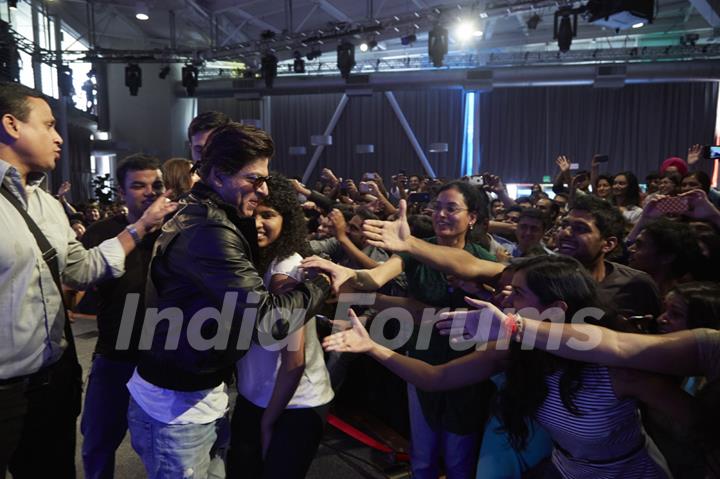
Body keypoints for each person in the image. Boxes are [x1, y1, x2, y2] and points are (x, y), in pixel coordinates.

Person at [325, 255, 675, 478]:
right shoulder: (516, 351)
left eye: (518, 294)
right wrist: (371, 348)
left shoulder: (614, 365)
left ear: (555, 308)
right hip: (567, 467)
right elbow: (436, 378)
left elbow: (694, 426)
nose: (505, 298)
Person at [126, 123, 341, 479]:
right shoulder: (208, 231)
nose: (264, 190)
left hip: (196, 395)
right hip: (176, 407)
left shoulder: (213, 217)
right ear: (220, 174)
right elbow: (269, 323)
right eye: (255, 179)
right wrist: (321, 281)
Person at [0, 82, 176, 478]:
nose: (59, 136)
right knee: (99, 443)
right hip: (6, 388)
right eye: (48, 125)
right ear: (11, 125)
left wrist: (142, 229)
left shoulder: (46, 204)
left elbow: (81, 269)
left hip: (54, 379)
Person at [304, 181, 499, 479]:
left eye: (452, 209)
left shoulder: (481, 259)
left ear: (472, 217)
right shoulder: (414, 252)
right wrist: (350, 274)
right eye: (438, 208)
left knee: (460, 456)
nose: (441, 215)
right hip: (420, 357)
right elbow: (376, 277)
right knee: (423, 454)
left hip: (468, 365)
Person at [229, 175, 334, 478]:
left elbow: (294, 361)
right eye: (252, 212)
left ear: (286, 220)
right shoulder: (253, 261)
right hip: (257, 398)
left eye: (268, 214)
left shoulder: (286, 269)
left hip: (292, 405)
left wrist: (267, 422)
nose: (258, 222)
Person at [79, 154, 166, 479]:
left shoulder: (178, 231)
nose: (149, 192)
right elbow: (82, 278)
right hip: (114, 355)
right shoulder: (101, 233)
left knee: (163, 448)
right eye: (138, 185)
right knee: (98, 443)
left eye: (156, 185)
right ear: (121, 192)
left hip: (163, 358)